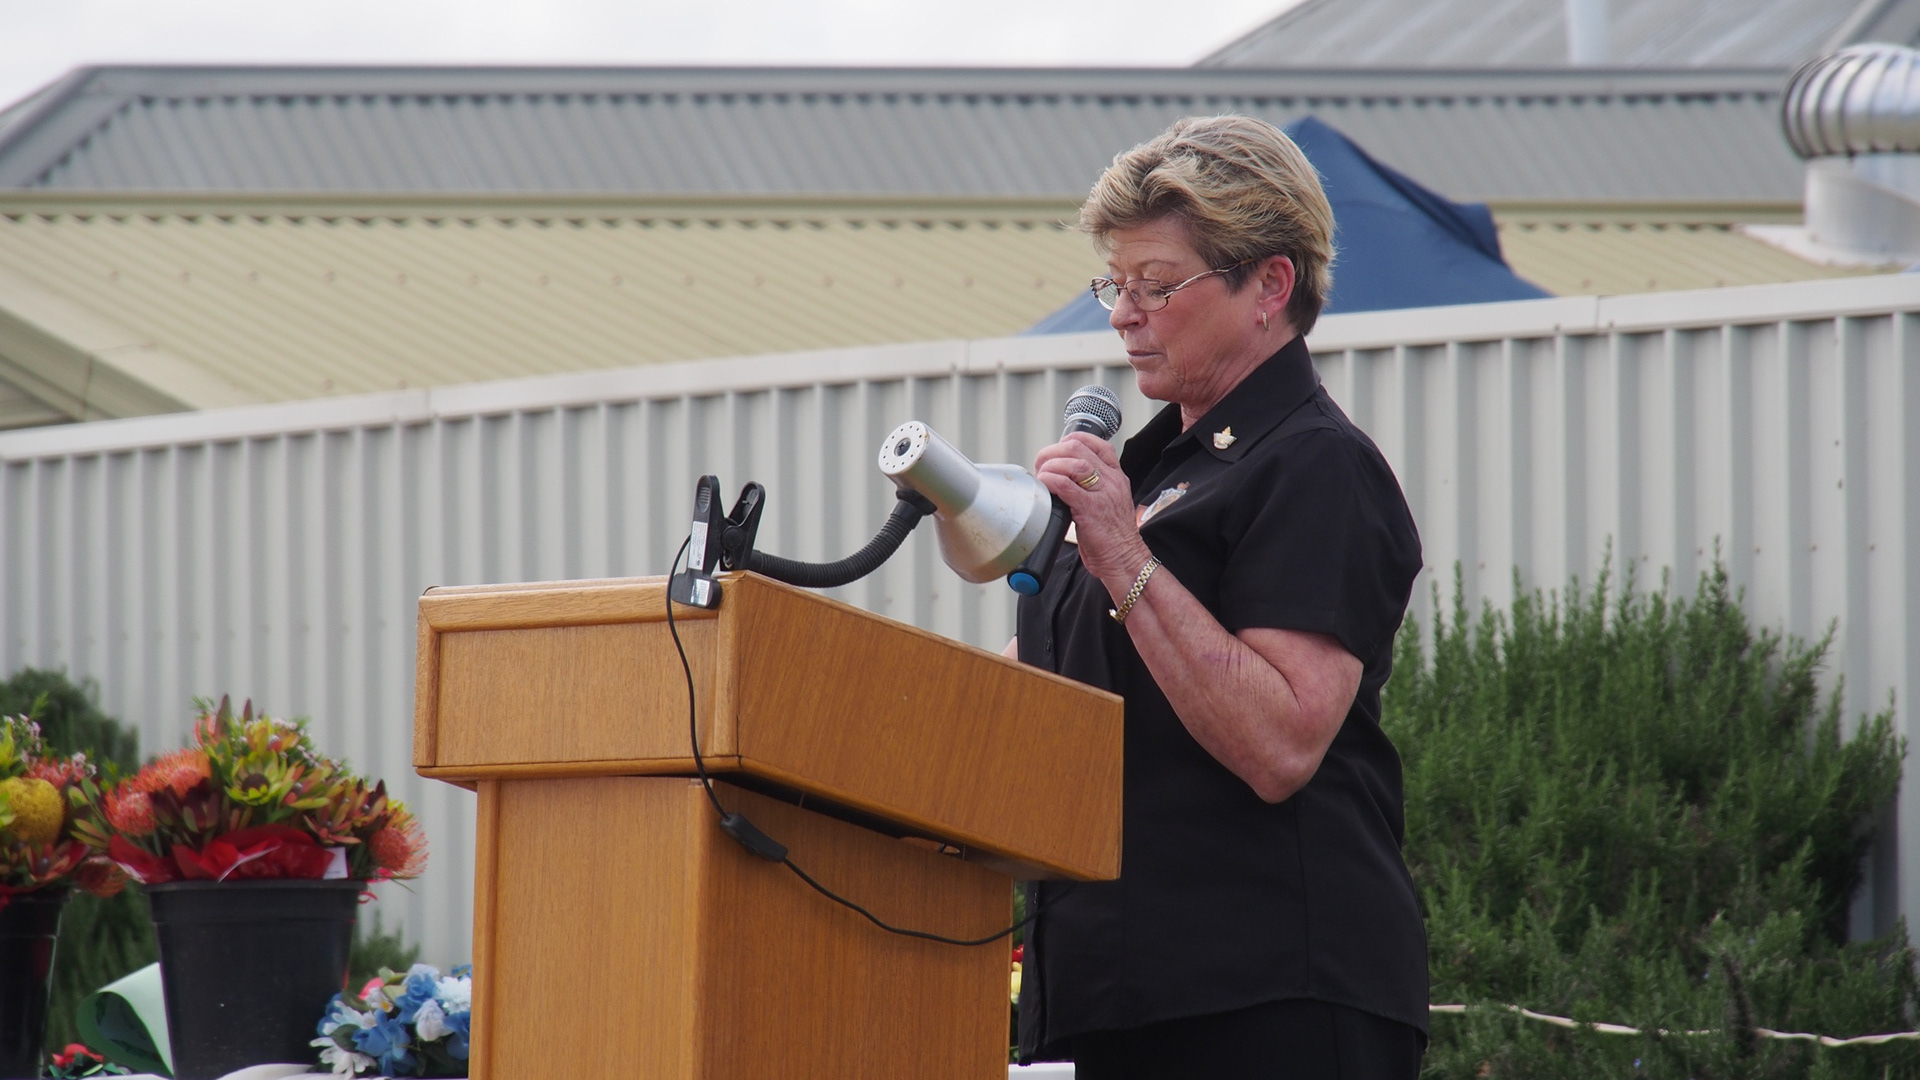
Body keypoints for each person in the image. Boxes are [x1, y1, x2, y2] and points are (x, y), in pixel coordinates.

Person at [1007, 115, 1427, 1078]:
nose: (1123, 315)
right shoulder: (1143, 478)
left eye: (1156, 285)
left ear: (1269, 286)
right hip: (1099, 998)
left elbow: (1281, 742)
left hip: (1263, 1000)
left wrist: (1122, 555)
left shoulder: (1316, 466)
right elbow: (1040, 697)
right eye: (1114, 285)